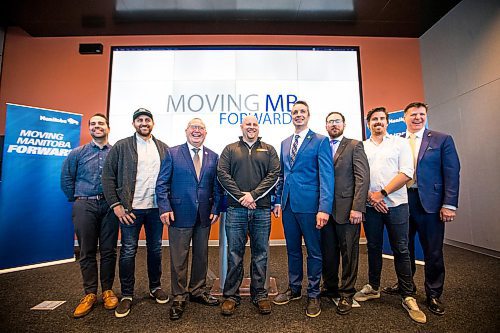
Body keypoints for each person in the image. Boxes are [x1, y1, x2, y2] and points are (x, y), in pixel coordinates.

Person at [382, 102, 460, 316]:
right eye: (413, 114)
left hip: (431, 204)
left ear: (426, 116)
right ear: (404, 118)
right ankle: (406, 286)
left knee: (433, 250)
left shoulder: (442, 139)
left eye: (421, 114)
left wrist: (449, 204)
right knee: (402, 248)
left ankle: (433, 293)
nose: (417, 118)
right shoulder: (396, 142)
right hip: (401, 201)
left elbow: (452, 173)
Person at [354, 107, 426, 324]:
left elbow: (406, 173)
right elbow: (357, 174)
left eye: (382, 119)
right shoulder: (362, 146)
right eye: (374, 119)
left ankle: (407, 295)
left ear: (387, 123)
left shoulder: (400, 143)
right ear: (368, 124)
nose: (378, 122)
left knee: (401, 249)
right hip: (371, 205)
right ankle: (373, 287)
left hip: (396, 205)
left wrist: (381, 194)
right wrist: (370, 197)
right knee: (374, 247)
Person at [102, 108, 169, 318]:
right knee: (129, 250)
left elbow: (168, 179)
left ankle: (155, 287)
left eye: (147, 120)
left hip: (155, 209)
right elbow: (108, 177)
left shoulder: (163, 148)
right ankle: (127, 294)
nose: (143, 123)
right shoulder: (121, 146)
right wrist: (116, 205)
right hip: (130, 210)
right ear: (134, 124)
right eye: (139, 120)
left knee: (156, 249)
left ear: (152, 123)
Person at [273, 100, 334, 318]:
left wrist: (324, 208)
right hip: (288, 205)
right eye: (295, 112)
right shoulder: (285, 142)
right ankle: (295, 288)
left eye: (302, 112)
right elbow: (282, 175)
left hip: (311, 207)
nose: (298, 115)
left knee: (314, 252)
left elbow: (327, 176)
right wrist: (278, 201)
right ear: (291, 116)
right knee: (292, 250)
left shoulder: (320, 141)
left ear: (308, 116)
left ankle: (314, 293)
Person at [156, 118, 222, 320]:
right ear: (186, 131)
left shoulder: (213, 156)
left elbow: (216, 186)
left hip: (204, 215)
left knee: (201, 255)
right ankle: (179, 295)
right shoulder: (172, 153)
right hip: (179, 213)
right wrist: (164, 207)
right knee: (179, 258)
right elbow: (162, 183)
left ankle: (197, 290)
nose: (197, 131)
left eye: (200, 128)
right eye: (193, 127)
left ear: (205, 132)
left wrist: (215, 208)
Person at [217, 115, 280, 316]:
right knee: (234, 253)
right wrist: (241, 197)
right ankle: (231, 295)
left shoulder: (269, 149)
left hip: (261, 209)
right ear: (242, 127)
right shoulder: (229, 149)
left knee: (260, 253)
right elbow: (222, 174)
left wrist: (252, 195)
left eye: (254, 124)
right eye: (248, 124)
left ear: (258, 127)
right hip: (236, 210)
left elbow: (274, 175)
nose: (251, 127)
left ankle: (260, 294)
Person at [61, 113, 119, 318]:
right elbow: (67, 179)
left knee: (109, 250)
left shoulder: (116, 153)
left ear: (108, 128)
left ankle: (108, 291)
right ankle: (89, 294)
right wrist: (78, 199)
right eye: (93, 124)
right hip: (84, 204)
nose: (97, 127)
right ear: (89, 128)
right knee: (86, 250)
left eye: (101, 123)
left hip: (111, 206)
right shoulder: (77, 153)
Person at [320, 111, 370, 315]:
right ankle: (330, 287)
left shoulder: (354, 145)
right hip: (325, 211)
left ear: (344, 124)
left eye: (337, 121)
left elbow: (362, 178)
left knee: (349, 253)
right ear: (325, 126)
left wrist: (357, 207)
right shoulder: (322, 145)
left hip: (348, 210)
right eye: (330, 122)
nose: (333, 125)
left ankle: (347, 293)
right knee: (328, 253)